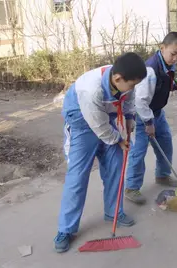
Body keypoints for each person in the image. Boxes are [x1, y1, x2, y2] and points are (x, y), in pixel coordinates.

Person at [54, 52, 147, 253]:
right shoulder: (91, 89)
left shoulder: (124, 80)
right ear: (117, 79)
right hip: (81, 123)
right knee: (77, 177)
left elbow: (129, 99)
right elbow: (100, 127)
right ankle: (66, 229)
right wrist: (119, 140)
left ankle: (114, 213)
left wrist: (130, 119)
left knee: (116, 167)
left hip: (109, 119)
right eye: (131, 84)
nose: (132, 88)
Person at [124, 32, 177, 204]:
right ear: (162, 48)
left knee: (165, 142)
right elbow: (140, 101)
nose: (176, 58)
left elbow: (164, 81)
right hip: (143, 115)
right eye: (173, 54)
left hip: (157, 112)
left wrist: (175, 86)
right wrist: (149, 123)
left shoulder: (167, 64)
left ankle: (162, 176)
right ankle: (132, 187)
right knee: (139, 151)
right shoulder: (150, 70)